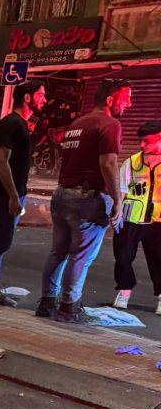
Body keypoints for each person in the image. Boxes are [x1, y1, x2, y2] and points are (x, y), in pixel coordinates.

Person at [37, 79, 132, 324]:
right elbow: (108, 163)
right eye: (126, 98)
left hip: (62, 195)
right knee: (80, 256)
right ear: (110, 100)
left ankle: (47, 302)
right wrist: (117, 200)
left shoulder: (77, 124)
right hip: (87, 199)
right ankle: (69, 307)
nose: (129, 104)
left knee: (58, 252)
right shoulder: (110, 124)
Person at [0, 82, 47, 307]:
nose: (44, 99)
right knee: (2, 242)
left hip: (11, 194)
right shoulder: (12, 124)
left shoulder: (20, 124)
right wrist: (13, 196)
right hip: (5, 195)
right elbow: (1, 161)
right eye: (41, 95)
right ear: (27, 98)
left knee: (1, 240)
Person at [112, 120, 161, 314]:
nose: (142, 145)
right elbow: (121, 190)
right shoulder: (132, 162)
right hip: (130, 218)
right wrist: (117, 212)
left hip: (158, 222)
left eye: (147, 141)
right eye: (141, 141)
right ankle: (124, 290)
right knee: (122, 256)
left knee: (159, 260)